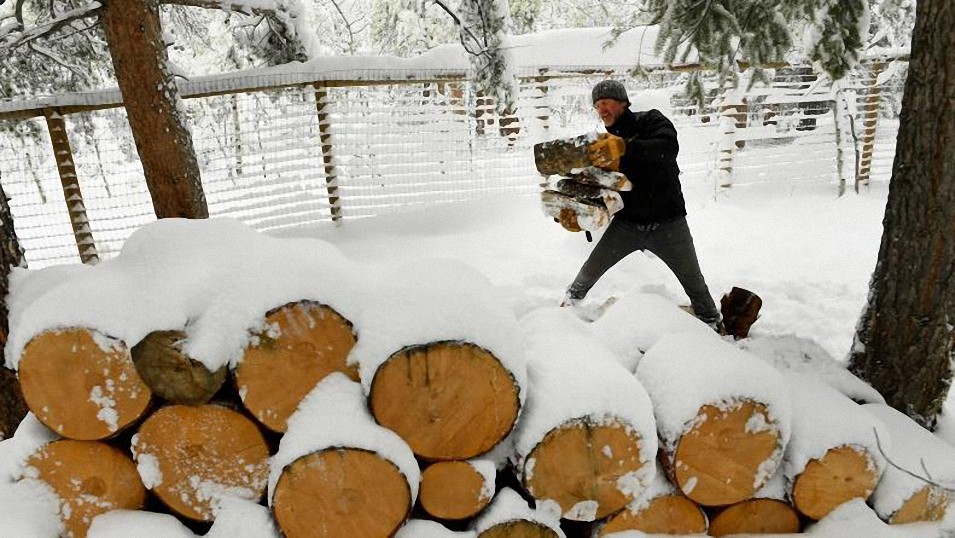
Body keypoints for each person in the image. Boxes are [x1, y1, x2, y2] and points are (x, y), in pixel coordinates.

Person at [562, 79, 722, 331]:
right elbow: (603, 187)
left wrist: (623, 146)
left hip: (669, 224)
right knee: (589, 272)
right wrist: (578, 211)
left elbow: (667, 148)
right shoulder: (603, 145)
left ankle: (712, 322)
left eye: (606, 102)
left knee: (695, 283)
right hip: (627, 226)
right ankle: (566, 309)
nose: (601, 109)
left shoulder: (650, 121)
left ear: (624, 102)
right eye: (597, 105)